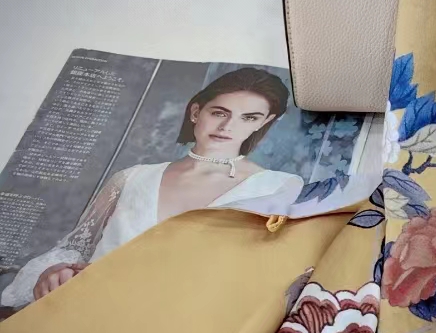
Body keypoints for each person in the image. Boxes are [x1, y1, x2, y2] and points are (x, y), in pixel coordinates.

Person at [1, 68, 303, 308]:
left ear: (264, 122)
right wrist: (53, 273)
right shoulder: (131, 178)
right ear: (196, 112)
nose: (228, 127)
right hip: (84, 311)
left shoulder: (279, 187)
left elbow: (267, 281)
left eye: (249, 117)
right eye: (219, 113)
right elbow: (74, 251)